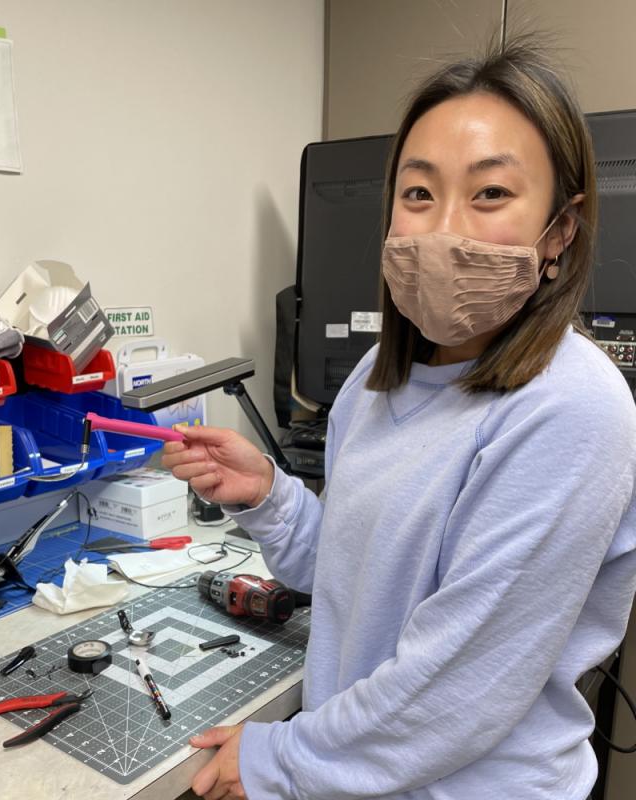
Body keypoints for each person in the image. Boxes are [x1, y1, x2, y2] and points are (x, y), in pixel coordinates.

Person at [163, 35, 636, 800]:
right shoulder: (374, 382)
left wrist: (277, 758)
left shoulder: (571, 406)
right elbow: (361, 580)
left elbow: (459, 691)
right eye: (419, 194)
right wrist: (269, 497)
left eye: (490, 194)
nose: (444, 229)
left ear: (560, 231)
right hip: (366, 775)